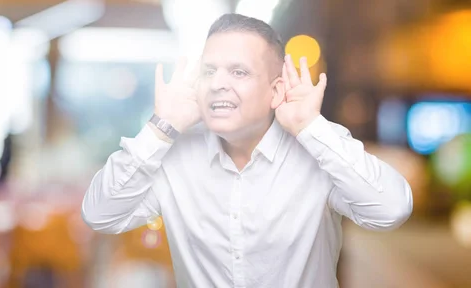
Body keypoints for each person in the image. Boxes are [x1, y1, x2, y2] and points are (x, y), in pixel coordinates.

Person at [82, 13, 413, 288]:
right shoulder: (175, 158)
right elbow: (100, 214)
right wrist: (161, 127)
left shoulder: (316, 151)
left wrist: (311, 127)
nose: (217, 83)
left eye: (238, 71)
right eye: (209, 71)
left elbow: (392, 210)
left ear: (276, 90)